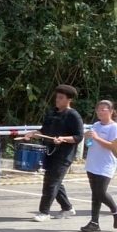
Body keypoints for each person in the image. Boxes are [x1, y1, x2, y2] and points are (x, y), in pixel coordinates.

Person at [25, 85, 84, 222]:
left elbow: (78, 136)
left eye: (61, 98)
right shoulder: (52, 113)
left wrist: (63, 139)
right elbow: (43, 131)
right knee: (55, 181)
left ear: (69, 100)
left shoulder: (73, 115)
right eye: (57, 97)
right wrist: (34, 134)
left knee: (51, 182)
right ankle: (67, 208)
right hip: (50, 151)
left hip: (64, 155)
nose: (57, 100)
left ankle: (44, 212)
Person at [80, 100, 117, 232]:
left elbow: (112, 146)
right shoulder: (95, 124)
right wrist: (88, 138)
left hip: (106, 165)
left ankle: (115, 211)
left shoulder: (114, 127)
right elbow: (90, 144)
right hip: (92, 164)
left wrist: (96, 137)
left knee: (100, 192)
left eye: (103, 109)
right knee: (95, 195)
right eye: (98, 109)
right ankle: (94, 222)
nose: (100, 112)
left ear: (111, 111)